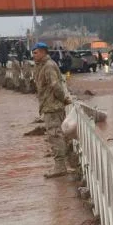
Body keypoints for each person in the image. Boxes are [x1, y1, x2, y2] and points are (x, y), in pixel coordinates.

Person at [32, 42, 72, 178]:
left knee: (55, 135)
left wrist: (64, 100)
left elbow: (56, 86)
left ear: (43, 52)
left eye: (36, 52)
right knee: (55, 135)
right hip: (48, 106)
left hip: (53, 107)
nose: (33, 55)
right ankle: (60, 165)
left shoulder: (48, 66)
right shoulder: (41, 66)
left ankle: (60, 167)